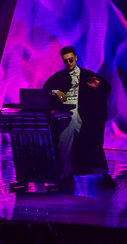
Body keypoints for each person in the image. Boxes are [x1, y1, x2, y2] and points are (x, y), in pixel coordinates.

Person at [42, 45, 115, 192]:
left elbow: (105, 89)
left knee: (93, 144)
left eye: (71, 60)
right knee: (63, 144)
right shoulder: (59, 77)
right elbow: (46, 89)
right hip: (66, 113)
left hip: (84, 115)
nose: (69, 63)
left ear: (76, 58)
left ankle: (104, 174)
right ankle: (67, 175)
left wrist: (97, 88)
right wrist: (56, 92)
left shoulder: (87, 75)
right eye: (66, 61)